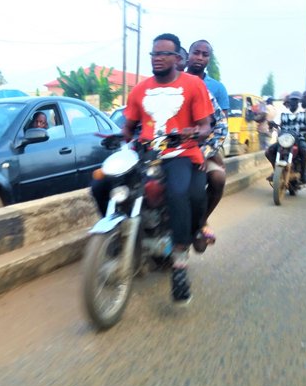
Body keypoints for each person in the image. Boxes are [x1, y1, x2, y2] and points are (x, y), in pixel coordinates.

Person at [92, 33, 213, 304]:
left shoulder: (193, 85)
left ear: (177, 58)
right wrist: (118, 137)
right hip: (144, 152)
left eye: (163, 54)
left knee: (179, 191)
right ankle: (117, 237)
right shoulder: (139, 89)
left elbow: (206, 126)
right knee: (101, 184)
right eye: (154, 54)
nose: (157, 58)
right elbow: (128, 127)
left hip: (179, 152)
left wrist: (192, 132)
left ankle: (180, 262)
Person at [185, 39, 230, 252]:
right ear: (187, 55)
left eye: (205, 55)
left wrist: (204, 151)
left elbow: (221, 126)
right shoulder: (172, 80)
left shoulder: (215, 88)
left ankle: (202, 221)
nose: (200, 58)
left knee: (217, 178)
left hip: (206, 146)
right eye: (196, 53)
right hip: (170, 146)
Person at [265, 91, 306, 184]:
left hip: (299, 138)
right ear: (289, 101)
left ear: (299, 101)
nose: (294, 102)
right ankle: (276, 171)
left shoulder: (305, 112)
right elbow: (276, 122)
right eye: (292, 100)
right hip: (284, 138)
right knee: (268, 152)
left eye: (296, 100)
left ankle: (303, 174)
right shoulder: (282, 112)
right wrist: (271, 124)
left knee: (304, 149)